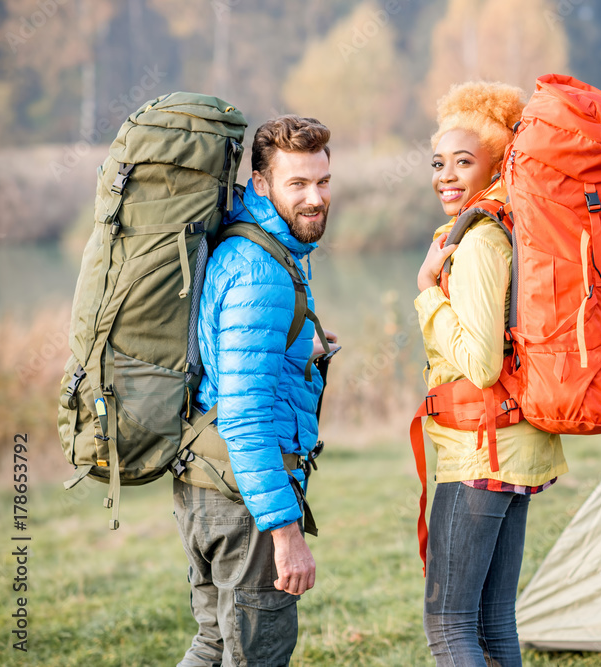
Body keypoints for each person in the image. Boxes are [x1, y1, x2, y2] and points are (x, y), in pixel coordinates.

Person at [414, 81, 568, 666]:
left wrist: (428, 293)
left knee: (450, 626)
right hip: (511, 446)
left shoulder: (479, 242)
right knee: (492, 619)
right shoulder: (512, 224)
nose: (445, 176)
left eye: (463, 162)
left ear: (497, 161)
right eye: (438, 162)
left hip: (480, 453)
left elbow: (479, 362)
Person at [173, 114, 332, 666]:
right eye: (298, 184)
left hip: (209, 484)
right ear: (261, 184)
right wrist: (284, 532)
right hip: (244, 501)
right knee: (255, 656)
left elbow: (232, 361)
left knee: (215, 645)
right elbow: (244, 413)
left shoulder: (253, 245)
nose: (315, 197)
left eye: (322, 181)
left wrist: (299, 345)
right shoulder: (260, 269)